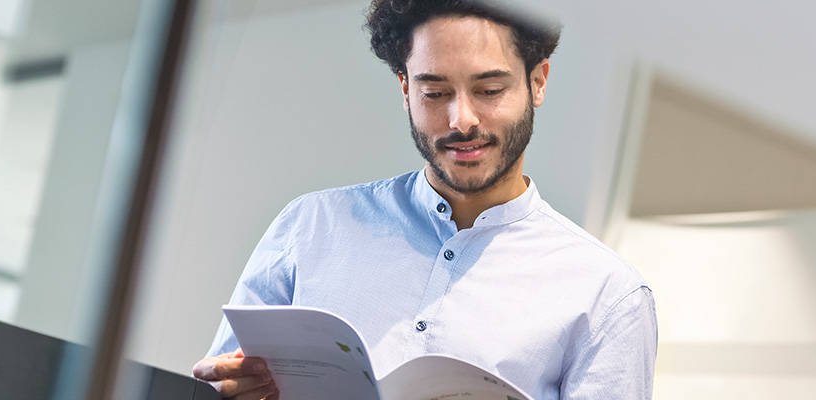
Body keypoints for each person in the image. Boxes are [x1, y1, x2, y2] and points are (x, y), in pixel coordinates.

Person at [192, 1, 656, 399]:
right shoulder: (310, 226)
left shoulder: (607, 294)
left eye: (489, 90)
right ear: (405, 89)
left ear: (538, 81)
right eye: (435, 92)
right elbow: (222, 380)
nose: (462, 119)